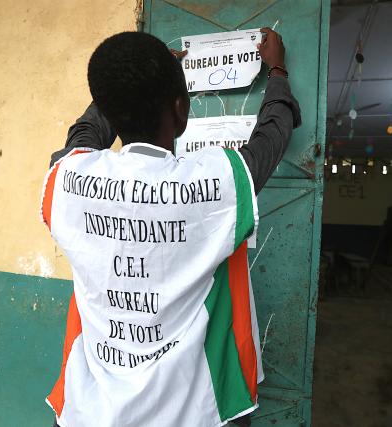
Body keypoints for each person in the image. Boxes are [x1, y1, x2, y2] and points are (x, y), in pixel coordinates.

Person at [40, 28, 300, 427]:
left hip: (89, 411)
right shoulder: (217, 184)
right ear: (181, 110)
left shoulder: (66, 180)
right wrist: (278, 71)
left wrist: (129, 87)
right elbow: (272, 138)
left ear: (110, 109)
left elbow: (83, 135)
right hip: (196, 413)